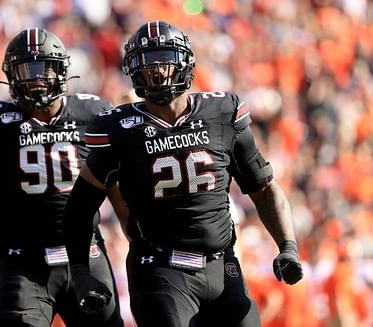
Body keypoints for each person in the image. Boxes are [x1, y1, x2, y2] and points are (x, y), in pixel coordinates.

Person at [63, 20, 304, 327]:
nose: (156, 70)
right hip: (161, 270)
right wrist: (81, 272)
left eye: (164, 59)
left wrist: (288, 246)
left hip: (223, 265)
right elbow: (79, 207)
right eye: (147, 62)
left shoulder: (221, 115)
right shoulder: (121, 130)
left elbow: (264, 188)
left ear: (185, 63)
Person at [0, 27, 124, 327]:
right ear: (11, 75)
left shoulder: (94, 116)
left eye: (44, 69)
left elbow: (121, 198)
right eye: (26, 70)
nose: (36, 79)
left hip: (85, 256)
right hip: (23, 260)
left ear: (60, 70)